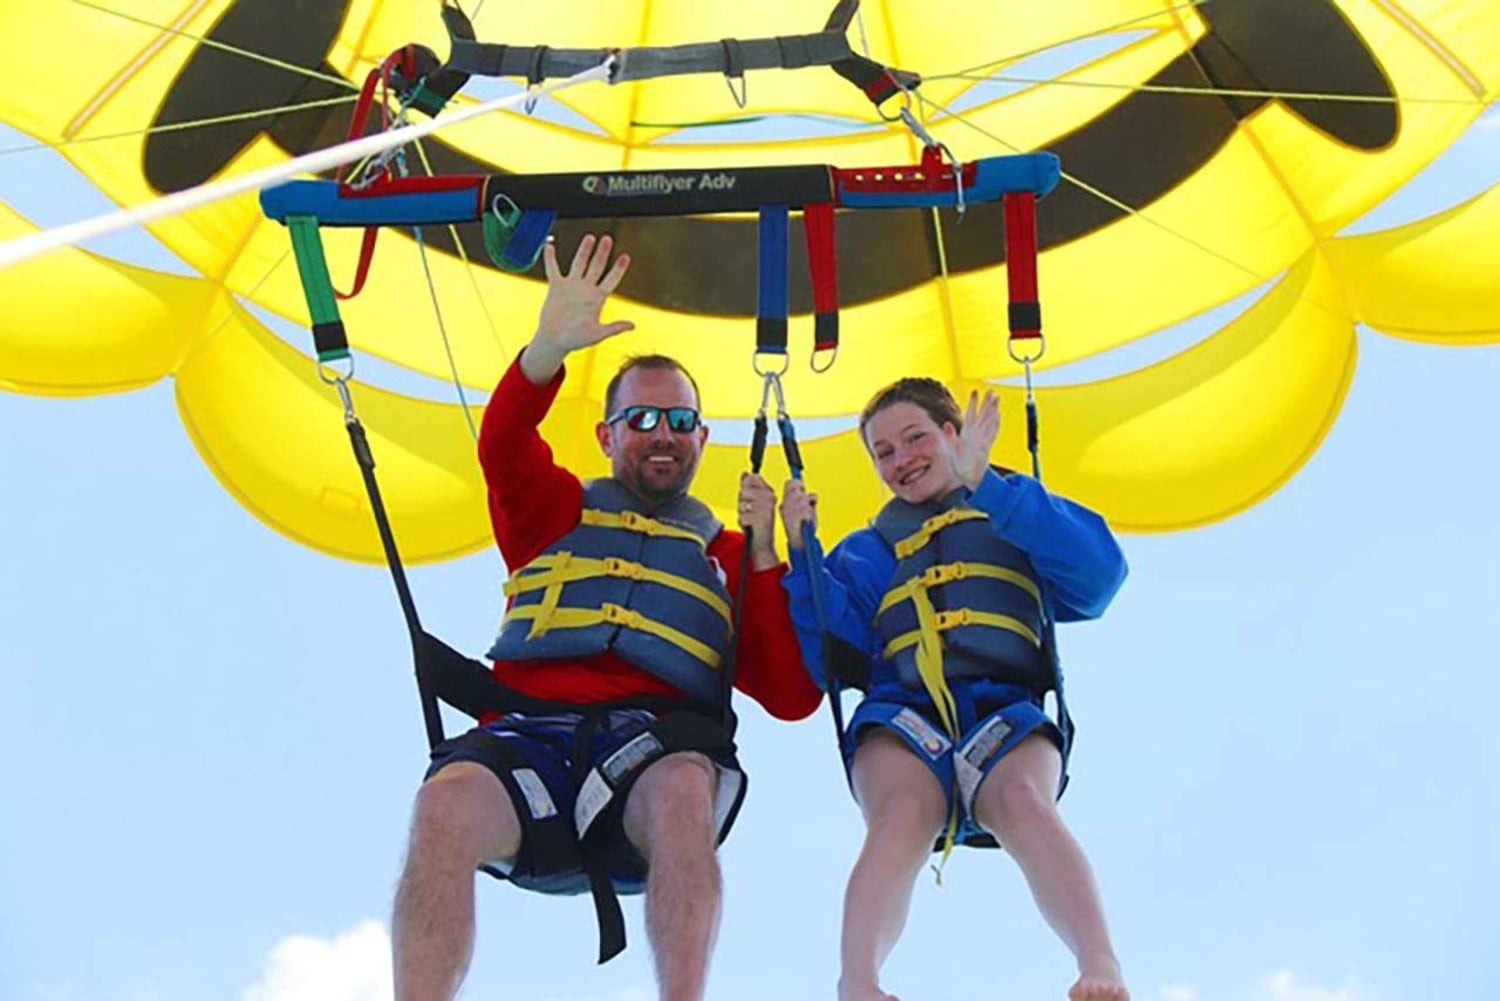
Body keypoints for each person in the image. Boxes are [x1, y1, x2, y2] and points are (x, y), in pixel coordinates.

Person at [392, 234, 823, 1001]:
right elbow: (504, 444)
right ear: (608, 433)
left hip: (651, 757)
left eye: (679, 420)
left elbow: (792, 696)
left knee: (688, 785)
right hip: (526, 744)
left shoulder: (727, 554)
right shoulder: (551, 513)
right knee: (442, 802)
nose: (662, 433)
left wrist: (765, 554)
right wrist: (545, 352)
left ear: (701, 437)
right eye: (642, 418)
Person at [780, 377, 1130, 1001]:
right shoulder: (865, 552)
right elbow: (833, 655)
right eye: (883, 453)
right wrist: (802, 549)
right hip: (902, 716)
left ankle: (1099, 964)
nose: (900, 459)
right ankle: (858, 984)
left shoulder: (1015, 514)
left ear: (953, 434)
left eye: (914, 438)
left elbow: (1099, 579)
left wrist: (990, 488)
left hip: (1005, 707)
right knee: (902, 814)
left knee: (1023, 799)